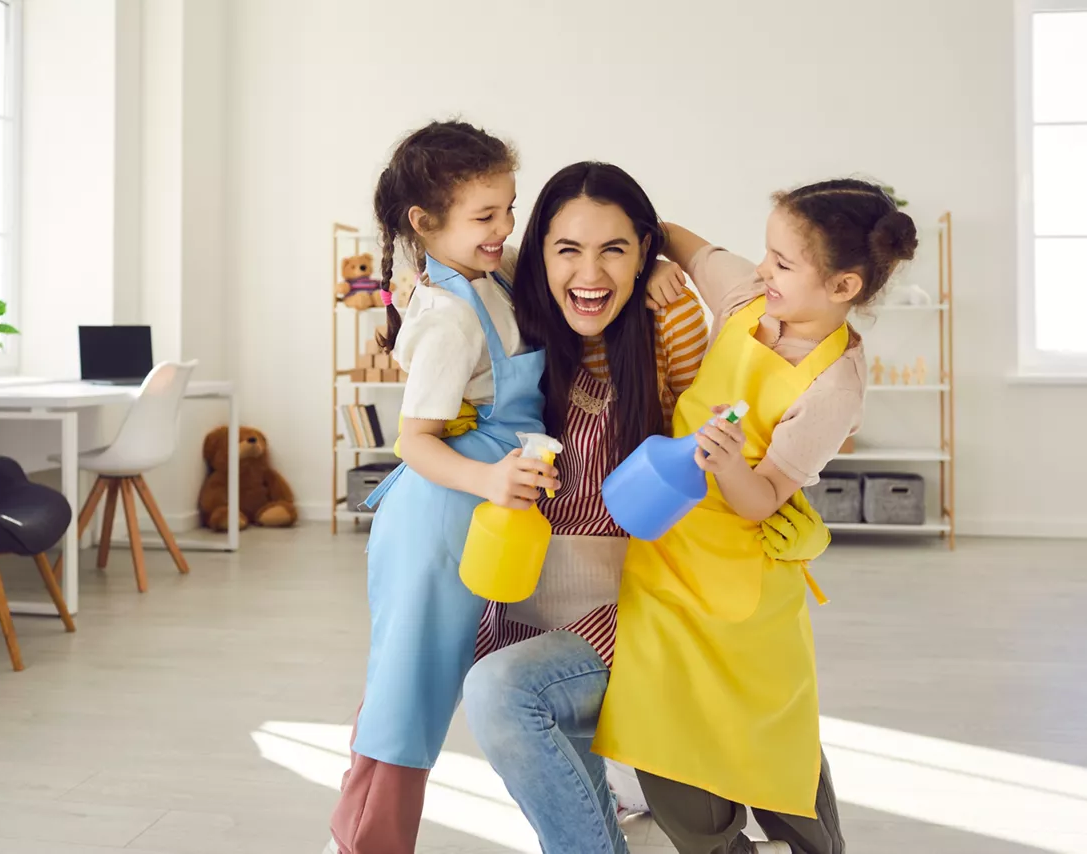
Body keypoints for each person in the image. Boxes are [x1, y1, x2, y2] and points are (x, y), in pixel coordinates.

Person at [461, 162, 833, 854]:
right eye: (567, 249)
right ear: (537, 253)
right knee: (489, 689)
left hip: (636, 612)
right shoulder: (509, 316)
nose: (589, 273)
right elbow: (450, 261)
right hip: (526, 598)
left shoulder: (672, 326)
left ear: (643, 252)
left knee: (500, 693)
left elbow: (726, 437)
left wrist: (770, 497)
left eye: (615, 250)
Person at [593, 178, 919, 854]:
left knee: (769, 732)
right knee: (660, 717)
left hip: (741, 576)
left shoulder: (834, 385)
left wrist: (731, 464)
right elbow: (685, 239)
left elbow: (766, 496)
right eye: (767, 254)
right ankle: (714, 846)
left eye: (783, 263)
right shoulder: (747, 294)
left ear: (843, 288)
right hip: (664, 551)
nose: (762, 269)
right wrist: (655, 259)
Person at [327, 119, 559, 854]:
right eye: (486, 217)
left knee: (419, 680)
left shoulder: (489, 275)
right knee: (411, 693)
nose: (504, 228)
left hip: (482, 509)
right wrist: (491, 476)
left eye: (509, 208)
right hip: (441, 513)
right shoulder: (450, 317)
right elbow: (414, 442)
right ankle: (363, 843)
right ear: (427, 225)